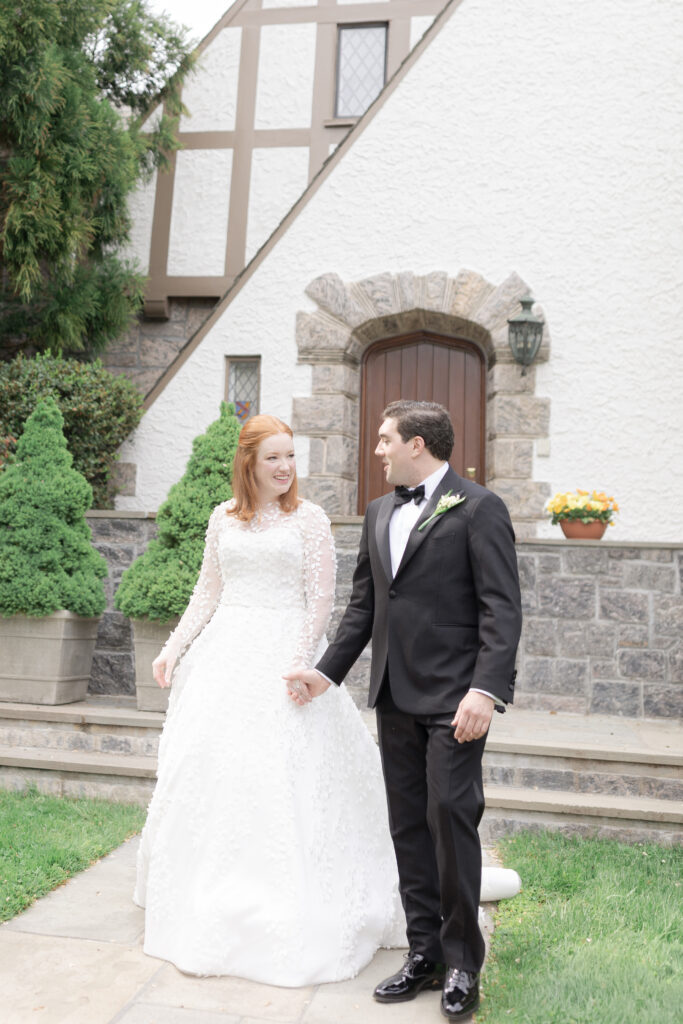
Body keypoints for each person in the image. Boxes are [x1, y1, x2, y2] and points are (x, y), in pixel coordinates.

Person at [133, 414, 405, 984]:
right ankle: (206, 892)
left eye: (290, 457)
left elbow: (322, 599)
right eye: (273, 458)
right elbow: (208, 590)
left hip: (285, 653)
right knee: (213, 771)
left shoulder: (308, 520)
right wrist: (173, 648)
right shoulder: (221, 519)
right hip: (225, 655)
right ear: (248, 464)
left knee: (285, 774)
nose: (284, 468)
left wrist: (301, 661)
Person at [285, 400, 522, 1021]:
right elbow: (365, 607)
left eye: (386, 440)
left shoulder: (479, 508)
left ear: (418, 444)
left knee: (450, 817)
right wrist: (325, 673)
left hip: (456, 701)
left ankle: (463, 961)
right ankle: (424, 954)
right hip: (394, 696)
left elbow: (502, 608)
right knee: (408, 826)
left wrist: (485, 691)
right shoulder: (378, 512)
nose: (378, 450)